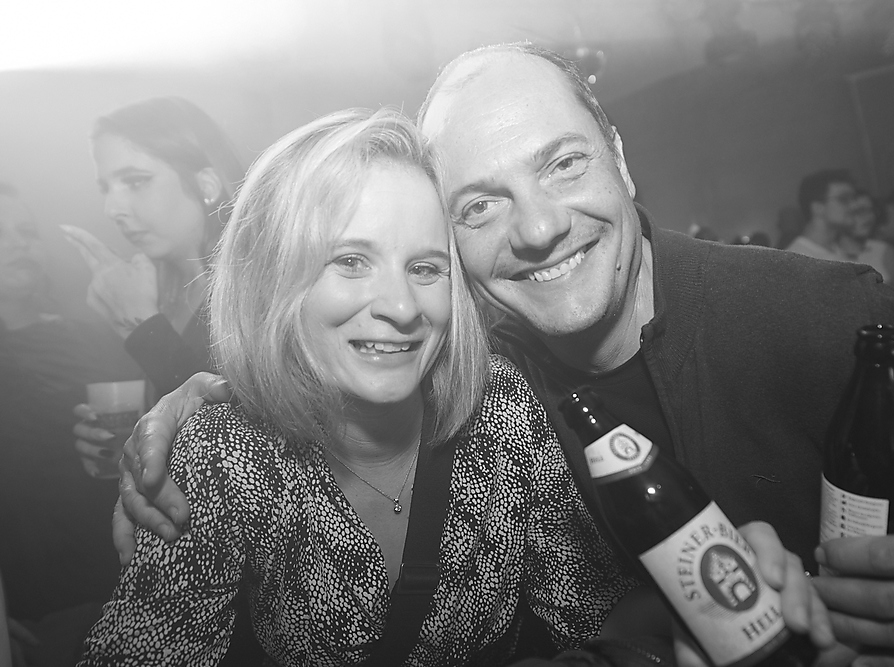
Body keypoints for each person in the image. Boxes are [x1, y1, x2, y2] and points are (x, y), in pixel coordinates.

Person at [116, 44, 894, 666]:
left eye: (564, 164)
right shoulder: (495, 371)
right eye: (480, 205)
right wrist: (217, 400)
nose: (538, 227)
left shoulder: (818, 314)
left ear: (620, 158)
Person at [79, 107, 660, 666]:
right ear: (274, 278)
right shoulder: (226, 453)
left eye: (425, 268)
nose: (403, 308)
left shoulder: (500, 410)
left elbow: (595, 612)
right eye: (352, 261)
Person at [0, 184, 141, 665]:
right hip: (35, 607)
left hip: (122, 583)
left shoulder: (90, 334)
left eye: (26, 231)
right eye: (1, 234)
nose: (18, 243)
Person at [63, 96, 244, 399]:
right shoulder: (159, 290)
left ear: (206, 185)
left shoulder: (255, 290)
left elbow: (239, 422)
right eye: (105, 188)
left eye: (136, 181)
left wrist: (143, 325)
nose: (112, 209)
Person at [836, 189, 894, 288]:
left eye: (871, 210)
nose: (868, 217)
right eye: (860, 211)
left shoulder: (883, 250)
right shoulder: (829, 253)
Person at [785, 169, 855, 261]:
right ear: (817, 207)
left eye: (853, 199)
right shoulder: (797, 260)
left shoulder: (839, 250)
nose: (853, 206)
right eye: (843, 199)